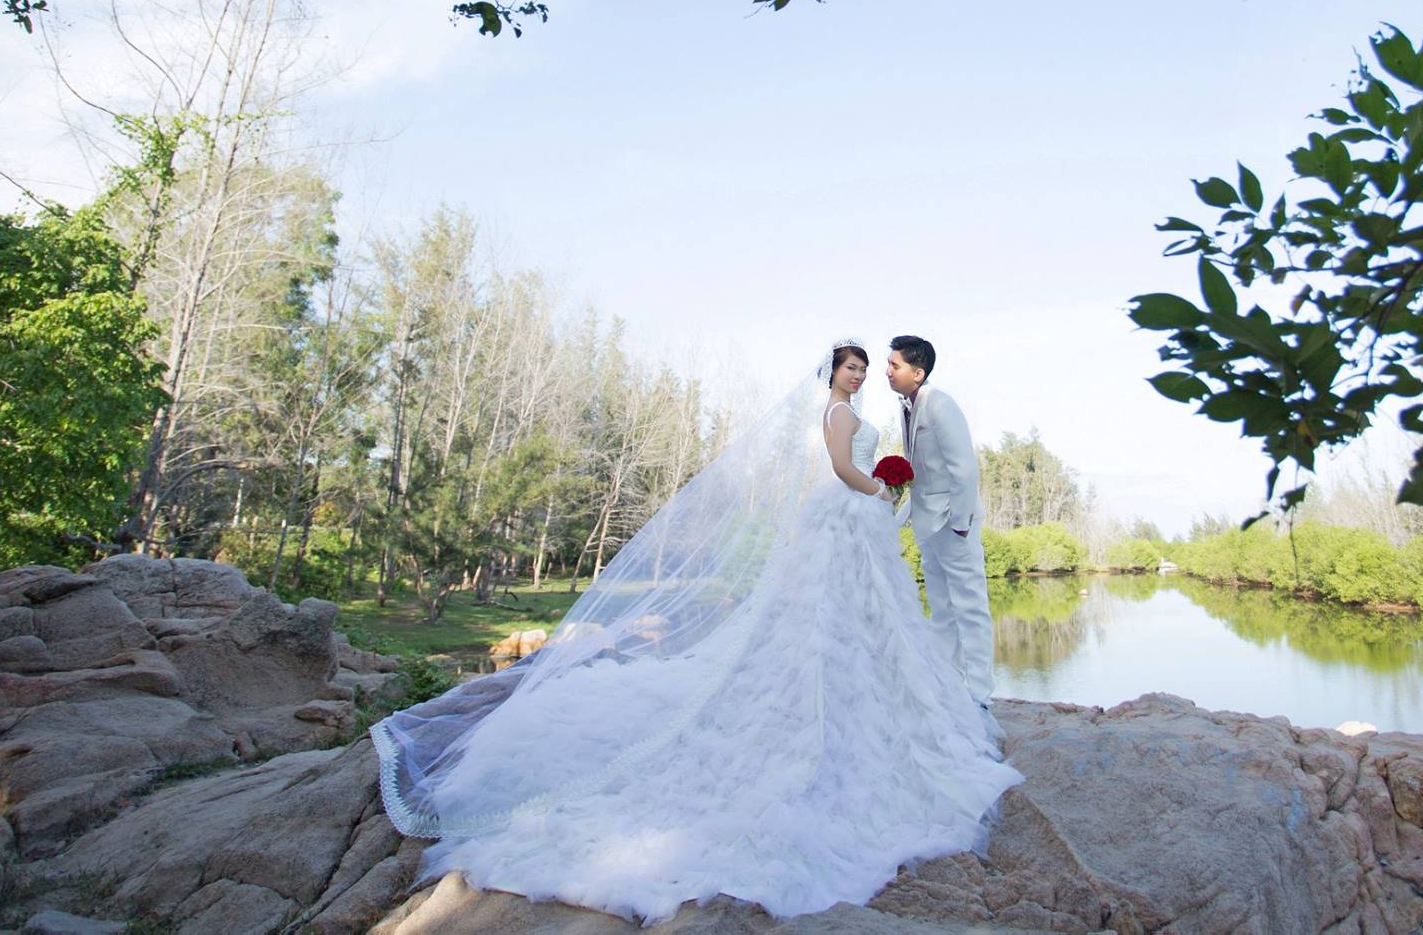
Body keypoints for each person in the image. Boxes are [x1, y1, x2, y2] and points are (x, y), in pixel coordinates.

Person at [369, 339, 1020, 924]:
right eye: (852, 367)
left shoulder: (872, 409)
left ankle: (874, 684)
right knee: (827, 616)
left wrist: (884, 486)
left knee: (867, 617)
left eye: (865, 368)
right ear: (834, 372)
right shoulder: (837, 415)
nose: (861, 375)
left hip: (855, 522)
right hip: (848, 512)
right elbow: (842, 469)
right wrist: (881, 488)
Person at [885, 334, 994, 708]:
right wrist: (901, 519)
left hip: (953, 522)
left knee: (971, 605)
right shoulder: (907, 406)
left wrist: (961, 524)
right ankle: (948, 685)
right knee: (941, 607)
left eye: (894, 365)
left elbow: (964, 469)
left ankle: (981, 694)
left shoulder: (941, 405)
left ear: (917, 373)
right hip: (926, 524)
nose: (888, 371)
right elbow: (920, 473)